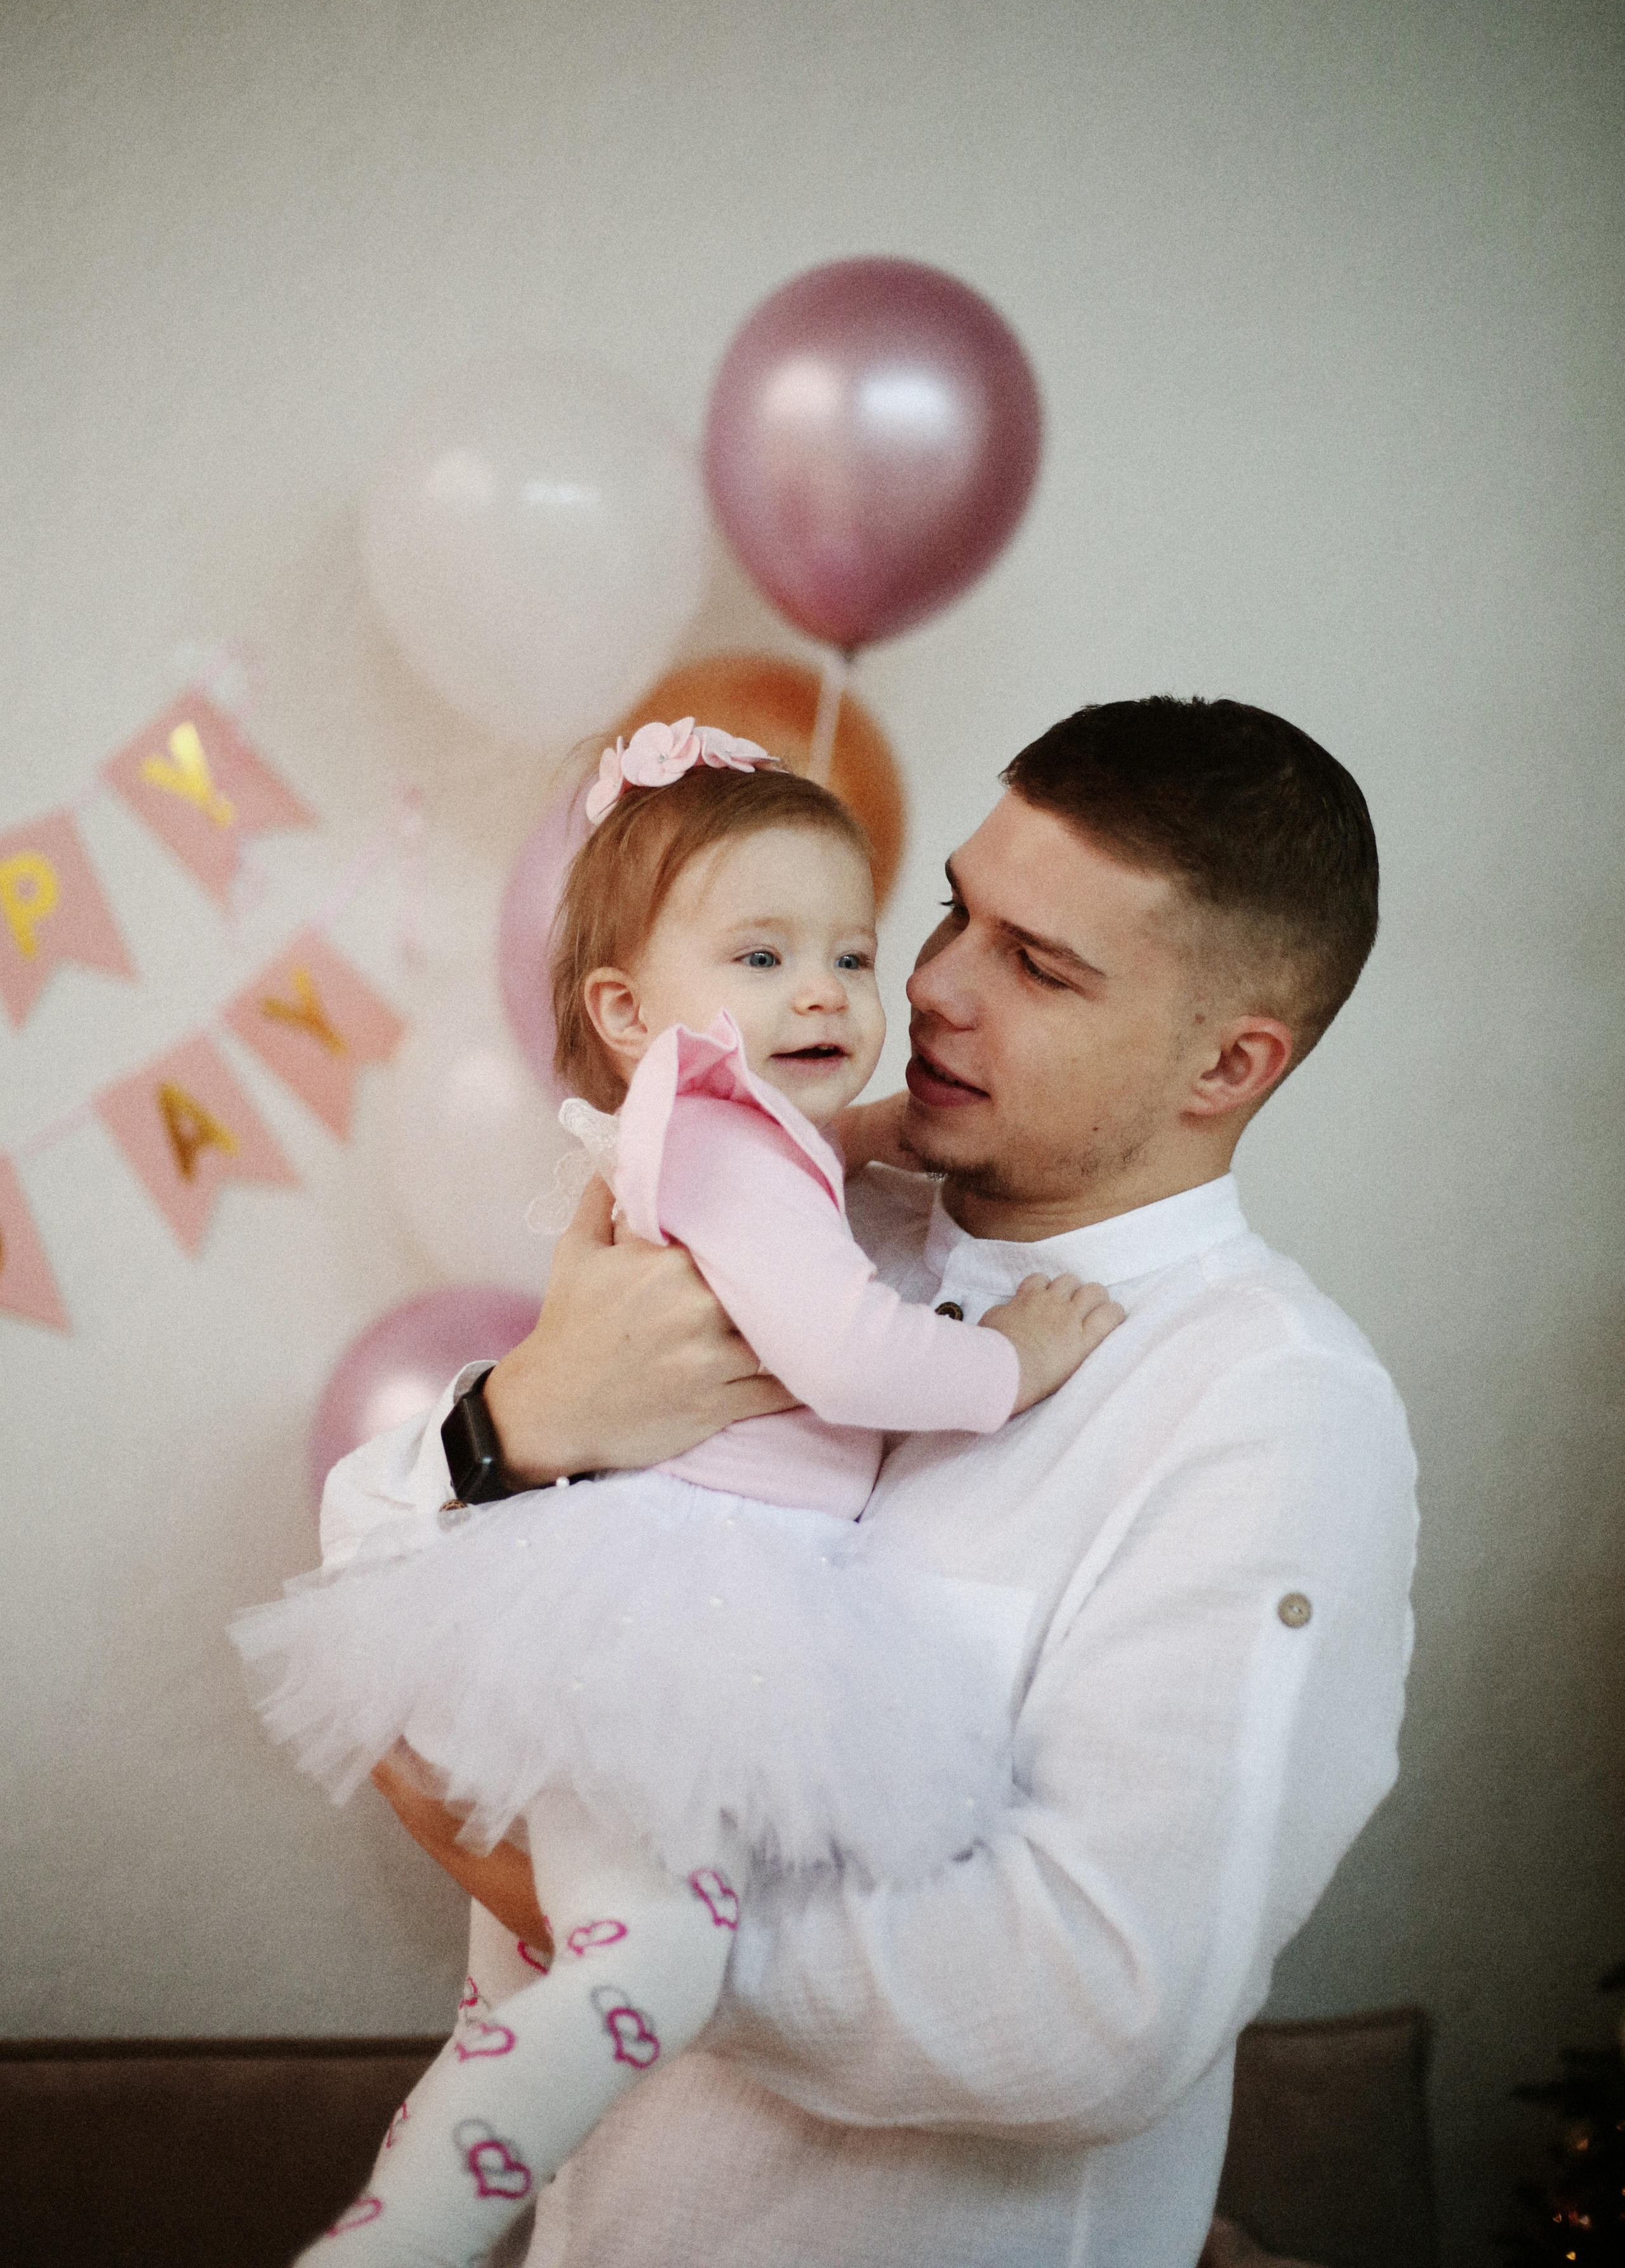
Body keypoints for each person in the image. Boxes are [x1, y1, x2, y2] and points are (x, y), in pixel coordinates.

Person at [329, 696, 1419, 2268]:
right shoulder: (802, 1197)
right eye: (955, 914)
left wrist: (605, 1912)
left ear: (1228, 1062)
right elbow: (361, 1542)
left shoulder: (1268, 1412)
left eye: (1038, 966)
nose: (928, 988)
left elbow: (1091, 2008)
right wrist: (524, 1420)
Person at [235, 723, 1122, 2265]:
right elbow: (846, 1356)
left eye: (850, 954)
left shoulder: (725, 1130)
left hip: (640, 1590)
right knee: (651, 1960)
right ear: (628, 1013)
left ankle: (420, 2230)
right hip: (679, 1598)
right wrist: (1008, 1365)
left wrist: (877, 1129)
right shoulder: (719, 1144)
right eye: (762, 955)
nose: (824, 996)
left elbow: (792, 1158)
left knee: (519, 1988)